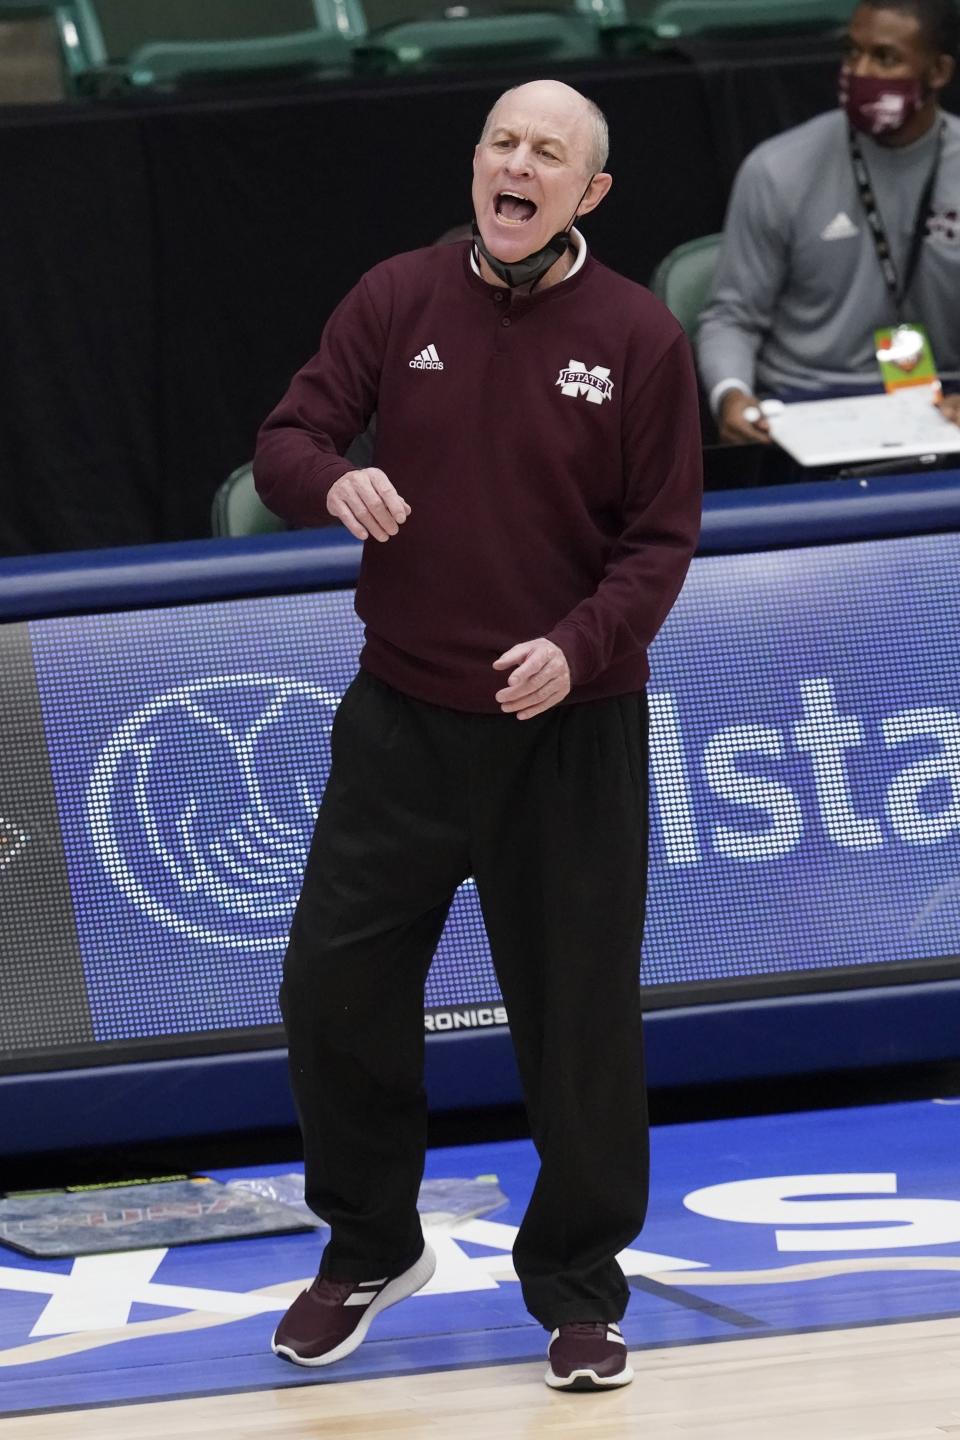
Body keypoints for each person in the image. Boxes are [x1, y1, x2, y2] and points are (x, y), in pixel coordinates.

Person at [253, 79, 702, 1392]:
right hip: (400, 722)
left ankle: (577, 1284)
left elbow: (661, 540)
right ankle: (371, 1246)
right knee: (330, 989)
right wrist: (334, 477)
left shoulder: (638, 337)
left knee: (578, 1025)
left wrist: (577, 648)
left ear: (590, 193)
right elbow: (287, 437)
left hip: (569, 737)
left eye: (547, 153)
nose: (518, 166)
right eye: (502, 143)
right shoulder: (395, 297)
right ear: (477, 166)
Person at [697, 0, 960, 445]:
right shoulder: (779, 167)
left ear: (937, 72)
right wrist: (731, 395)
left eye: (885, 58)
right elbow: (732, 314)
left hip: (945, 404)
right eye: (851, 52)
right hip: (808, 405)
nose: (860, 71)